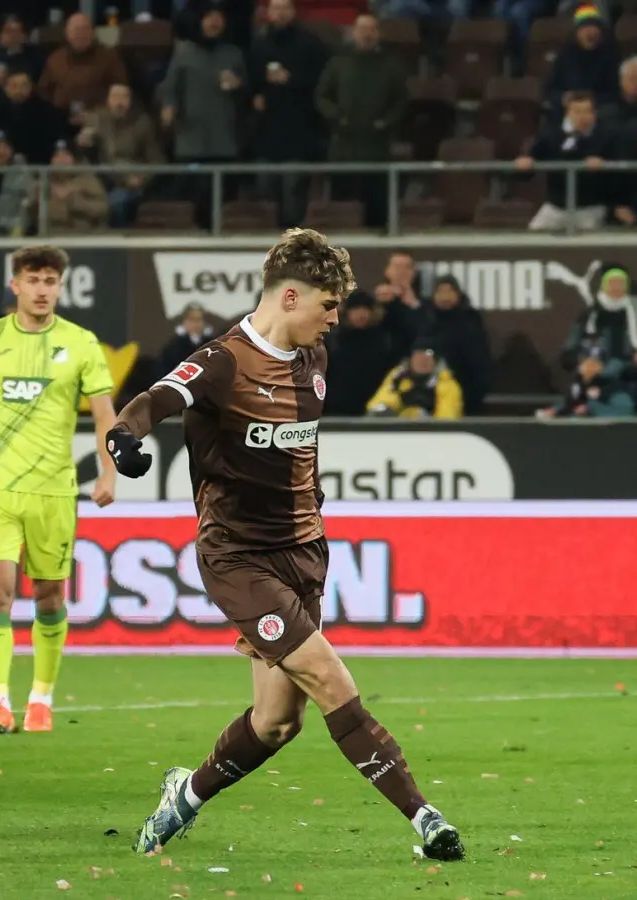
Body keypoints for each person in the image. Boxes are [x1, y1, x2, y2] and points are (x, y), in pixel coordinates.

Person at [105, 229, 464, 862]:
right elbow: (155, 399)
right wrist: (123, 439)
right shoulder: (223, 360)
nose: (334, 320)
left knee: (277, 722)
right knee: (328, 676)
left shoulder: (314, 362)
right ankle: (426, 817)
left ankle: (182, 797)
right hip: (238, 556)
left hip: (304, 552)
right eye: (328, 306)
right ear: (290, 296)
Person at [0, 245, 118, 734]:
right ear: (16, 285)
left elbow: (105, 411)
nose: (42, 289)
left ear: (60, 287)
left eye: (51, 280)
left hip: (54, 491)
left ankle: (41, 699)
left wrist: (108, 471)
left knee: (49, 596)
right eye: (34, 279)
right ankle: (0, 703)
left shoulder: (82, 343)